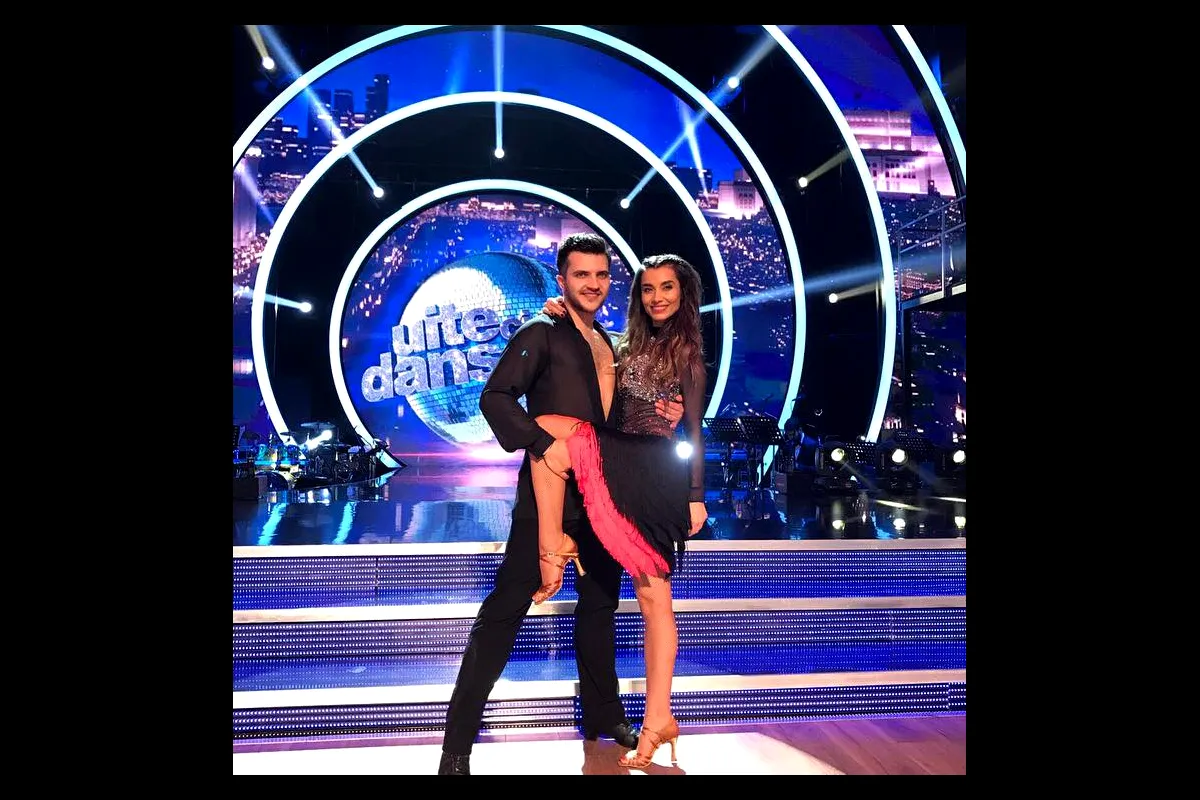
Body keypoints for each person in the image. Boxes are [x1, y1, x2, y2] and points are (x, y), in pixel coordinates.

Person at [437, 233, 682, 776]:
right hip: (548, 494)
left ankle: (605, 717)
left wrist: (668, 414)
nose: (592, 284)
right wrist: (542, 443)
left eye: (601, 275)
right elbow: (494, 397)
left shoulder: (613, 344)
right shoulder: (540, 332)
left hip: (605, 497)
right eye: (580, 275)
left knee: (599, 611)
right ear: (561, 279)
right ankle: (456, 747)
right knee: (503, 613)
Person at [533, 253, 709, 770]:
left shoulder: (688, 354)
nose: (657, 297)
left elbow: (694, 431)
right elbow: (592, 351)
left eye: (667, 288)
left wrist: (696, 495)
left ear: (683, 294)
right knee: (545, 431)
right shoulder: (621, 344)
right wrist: (560, 310)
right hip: (617, 465)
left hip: (656, 477)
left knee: (655, 598)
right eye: (648, 288)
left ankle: (658, 719)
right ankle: (552, 544)